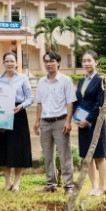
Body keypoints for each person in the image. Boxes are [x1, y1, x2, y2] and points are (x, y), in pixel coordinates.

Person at [34, 51, 76, 195]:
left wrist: (68, 121)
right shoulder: (41, 82)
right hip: (45, 123)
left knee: (65, 155)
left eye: (51, 61)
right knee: (47, 155)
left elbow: (70, 102)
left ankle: (69, 186)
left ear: (58, 62)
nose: (48, 64)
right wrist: (37, 121)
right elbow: (39, 103)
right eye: (46, 61)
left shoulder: (66, 80)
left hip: (60, 122)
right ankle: (50, 184)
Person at [0, 51, 33, 191]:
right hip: (2, 115)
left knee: (18, 148)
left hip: (18, 114)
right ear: (3, 63)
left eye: (12, 61)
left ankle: (17, 182)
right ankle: (7, 181)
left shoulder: (23, 78)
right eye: (7, 61)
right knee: (4, 148)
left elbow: (30, 97)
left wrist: (21, 106)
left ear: (16, 63)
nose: (9, 63)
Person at [75, 50, 106, 196]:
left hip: (95, 123)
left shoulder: (101, 80)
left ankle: (102, 187)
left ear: (96, 62)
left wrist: (87, 120)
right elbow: (79, 101)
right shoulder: (82, 81)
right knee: (87, 156)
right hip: (81, 123)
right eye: (84, 61)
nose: (86, 63)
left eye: (89, 60)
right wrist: (78, 119)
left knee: (99, 155)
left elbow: (100, 103)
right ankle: (94, 186)